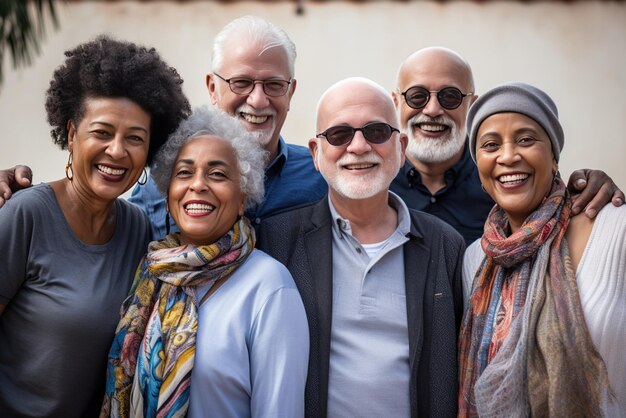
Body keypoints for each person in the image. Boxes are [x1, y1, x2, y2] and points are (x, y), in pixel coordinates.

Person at [0, 35, 190, 417]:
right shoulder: (26, 215)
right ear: (72, 134)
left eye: (135, 138)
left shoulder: (138, 228)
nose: (117, 151)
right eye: (102, 132)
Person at [258, 77, 465, 418]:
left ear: (401, 148)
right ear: (315, 153)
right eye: (339, 135)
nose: (358, 147)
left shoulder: (446, 246)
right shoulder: (276, 242)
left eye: (376, 132)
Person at [102, 106, 308, 418]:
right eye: (184, 172)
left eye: (217, 174)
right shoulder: (151, 273)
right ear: (169, 194)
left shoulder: (270, 286)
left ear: (242, 200)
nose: (198, 184)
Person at [459, 82, 625, 417]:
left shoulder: (616, 230)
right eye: (491, 145)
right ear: (479, 168)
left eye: (525, 139)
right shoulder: (475, 259)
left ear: (553, 157)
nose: (508, 156)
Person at [390, 46, 625, 245]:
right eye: (417, 96)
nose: (432, 110)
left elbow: (553, 202)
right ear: (396, 103)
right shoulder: (376, 184)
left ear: (471, 105)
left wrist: (592, 187)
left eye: (450, 96)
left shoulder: (503, 180)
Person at [127, 15, 327, 238]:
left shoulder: (321, 177)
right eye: (241, 83)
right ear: (213, 88)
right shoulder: (159, 185)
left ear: (290, 92)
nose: (258, 100)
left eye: (274, 85)